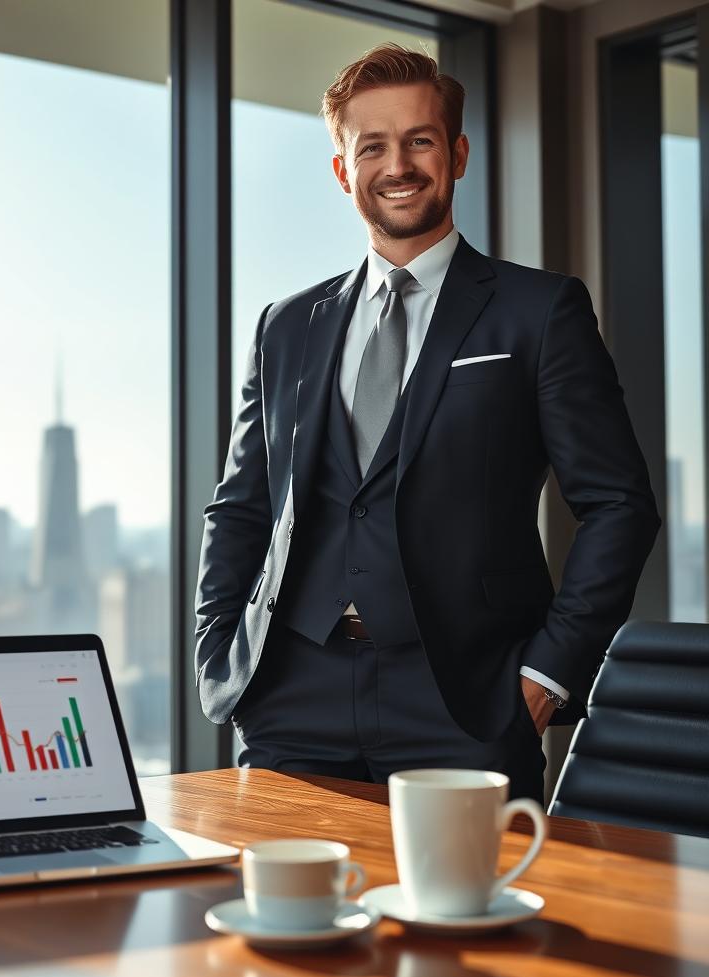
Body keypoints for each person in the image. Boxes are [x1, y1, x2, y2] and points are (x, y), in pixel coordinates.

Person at [193, 44, 659, 802]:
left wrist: (543, 679)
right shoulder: (286, 326)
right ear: (344, 171)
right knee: (286, 919)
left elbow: (619, 506)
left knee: (466, 922)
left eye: (419, 140)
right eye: (371, 145)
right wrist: (221, 646)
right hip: (291, 695)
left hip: (463, 700)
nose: (397, 165)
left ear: (458, 154)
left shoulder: (538, 312)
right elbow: (243, 504)